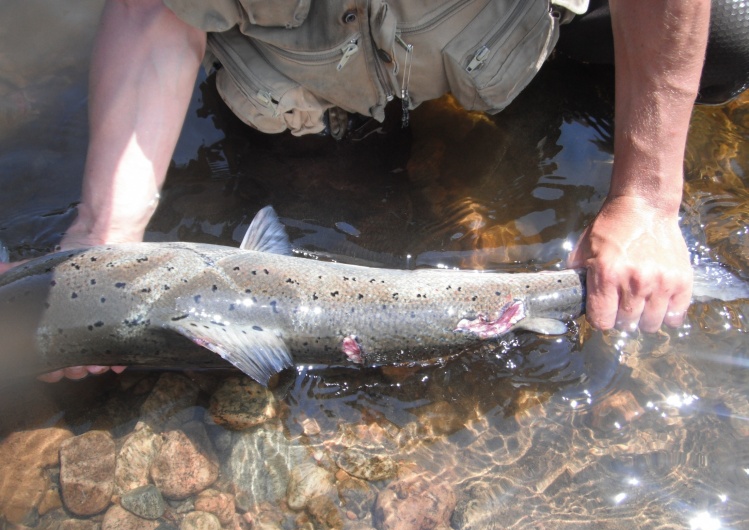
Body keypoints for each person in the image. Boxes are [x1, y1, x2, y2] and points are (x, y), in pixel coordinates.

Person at [0, 0, 722, 379]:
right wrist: (105, 229)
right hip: (304, 68)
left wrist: (647, 200)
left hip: (491, 32)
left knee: (725, 39)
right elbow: (149, 7)